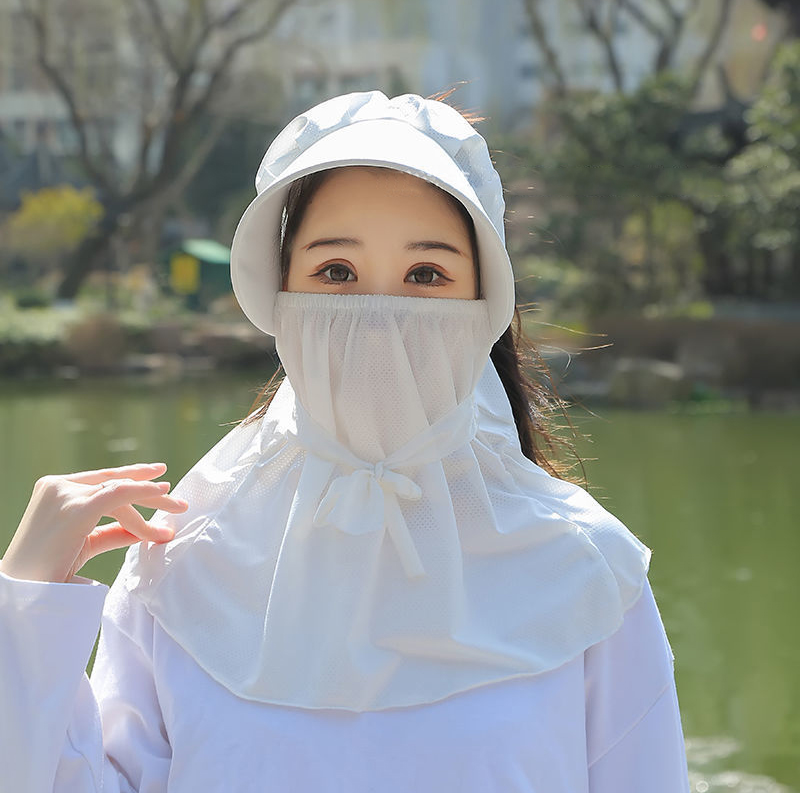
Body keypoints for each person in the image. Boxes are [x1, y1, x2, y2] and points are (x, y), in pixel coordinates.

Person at [0, 91, 690, 792]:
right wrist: (26, 609)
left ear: (485, 304)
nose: (379, 314)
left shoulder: (585, 573)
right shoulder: (182, 562)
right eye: (336, 272)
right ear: (278, 293)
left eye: (427, 275)